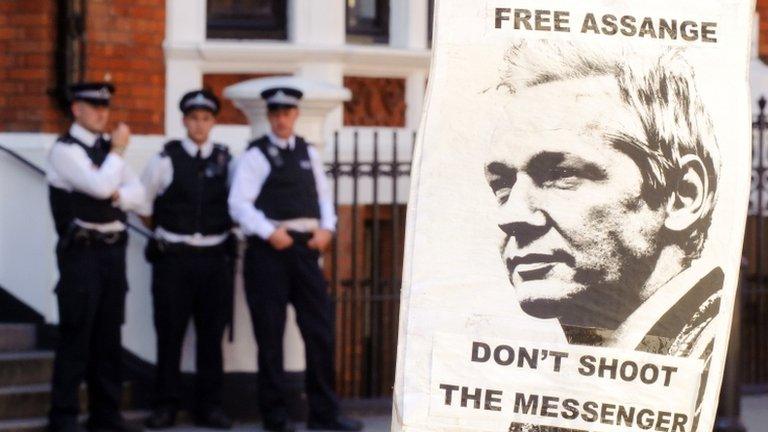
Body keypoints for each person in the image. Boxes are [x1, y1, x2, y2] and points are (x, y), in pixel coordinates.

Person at [484, 41, 722, 432]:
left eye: (560, 175)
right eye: (502, 186)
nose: (510, 215)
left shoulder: (713, 364)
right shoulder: (556, 383)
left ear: (683, 196)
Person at [228, 87, 363, 432]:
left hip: (305, 249)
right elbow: (239, 204)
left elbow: (323, 196)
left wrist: (328, 229)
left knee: (319, 333)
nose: (282, 119)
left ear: (295, 115)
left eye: (287, 113)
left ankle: (324, 415)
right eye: (276, 114)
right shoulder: (256, 155)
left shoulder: (307, 152)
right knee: (270, 337)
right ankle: (275, 419)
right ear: (270, 117)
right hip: (270, 251)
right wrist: (268, 231)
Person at [46, 82, 146, 432]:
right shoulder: (65, 150)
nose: (102, 112)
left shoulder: (108, 151)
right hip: (81, 255)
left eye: (105, 106)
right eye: (92, 106)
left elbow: (141, 196)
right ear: (76, 109)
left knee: (108, 336)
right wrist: (117, 159)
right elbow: (101, 187)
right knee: (76, 336)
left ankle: (106, 414)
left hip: (112, 254)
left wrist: (117, 191)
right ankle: (64, 416)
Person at [139, 90, 234, 430]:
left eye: (205, 118)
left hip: (214, 258)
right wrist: (171, 235)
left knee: (211, 336)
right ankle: (165, 405)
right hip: (175, 260)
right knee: (170, 333)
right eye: (193, 118)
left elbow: (236, 206)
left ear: (213, 122)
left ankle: (210, 406)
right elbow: (143, 206)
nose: (199, 124)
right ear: (184, 121)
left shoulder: (226, 160)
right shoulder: (165, 158)